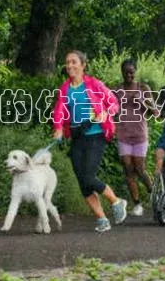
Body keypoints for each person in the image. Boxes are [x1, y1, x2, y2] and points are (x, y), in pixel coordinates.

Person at [53, 51, 127, 233]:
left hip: (96, 134)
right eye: (67, 62)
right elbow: (59, 111)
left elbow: (114, 103)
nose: (70, 65)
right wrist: (58, 128)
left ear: (83, 65)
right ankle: (102, 219)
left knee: (88, 176)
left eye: (74, 62)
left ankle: (116, 201)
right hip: (78, 137)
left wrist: (106, 113)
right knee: (82, 182)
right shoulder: (65, 88)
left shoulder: (94, 84)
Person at [113, 58, 155, 216]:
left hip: (139, 134)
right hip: (123, 133)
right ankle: (137, 204)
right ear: (122, 72)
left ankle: (152, 191)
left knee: (139, 168)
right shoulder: (117, 90)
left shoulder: (143, 88)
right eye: (126, 72)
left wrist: (143, 103)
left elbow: (154, 112)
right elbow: (110, 109)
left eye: (131, 71)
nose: (129, 74)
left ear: (135, 71)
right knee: (128, 168)